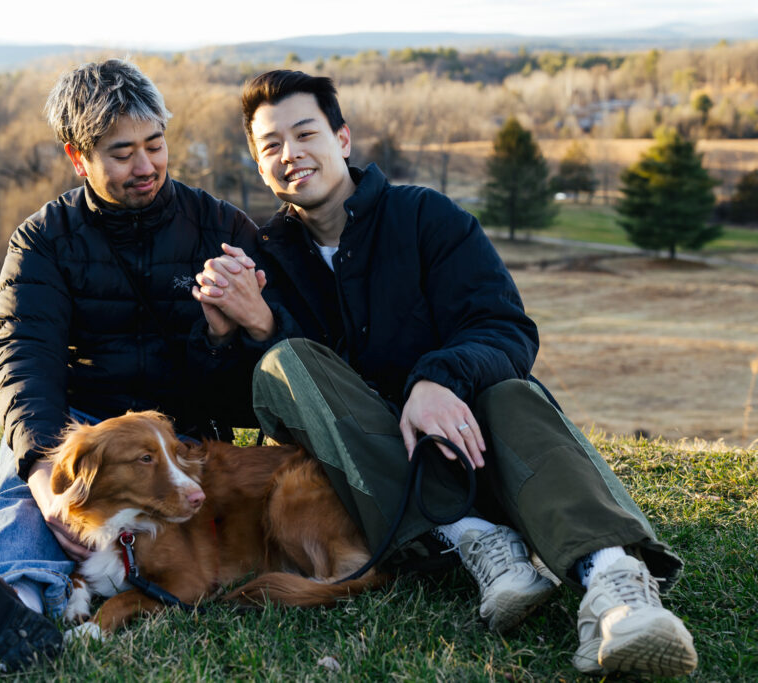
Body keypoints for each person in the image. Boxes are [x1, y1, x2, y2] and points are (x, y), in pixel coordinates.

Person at [193, 70, 697, 677]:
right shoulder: (267, 257)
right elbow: (276, 406)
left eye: (306, 134)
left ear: (343, 138)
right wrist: (248, 329)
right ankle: (478, 541)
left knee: (512, 391)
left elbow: (506, 327)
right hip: (391, 487)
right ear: (258, 163)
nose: (291, 155)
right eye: (271, 145)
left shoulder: (426, 217)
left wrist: (437, 379)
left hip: (483, 445)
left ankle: (616, 585)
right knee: (286, 361)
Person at [0, 59, 285, 670]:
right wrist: (41, 471)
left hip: (182, 432)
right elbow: (22, 361)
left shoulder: (221, 227)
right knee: (25, 486)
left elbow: (267, 369)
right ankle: (14, 607)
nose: (145, 166)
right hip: (83, 424)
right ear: (77, 156)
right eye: (122, 153)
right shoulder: (43, 241)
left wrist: (236, 332)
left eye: (155, 144)